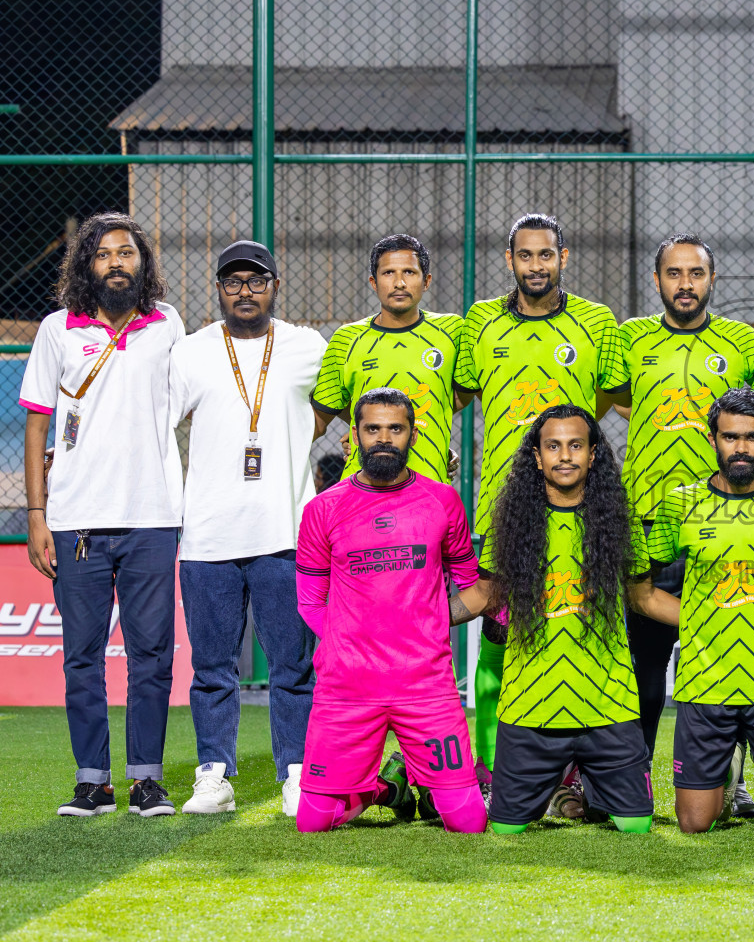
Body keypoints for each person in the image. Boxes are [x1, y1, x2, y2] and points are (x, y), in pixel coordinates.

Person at [454, 214, 626, 804]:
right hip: (503, 514)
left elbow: (619, 399)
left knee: (575, 635)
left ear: (564, 256)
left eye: (546, 255)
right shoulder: (480, 321)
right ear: (510, 261)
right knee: (500, 639)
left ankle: (576, 776)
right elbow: (452, 396)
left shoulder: (596, 322)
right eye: (525, 256)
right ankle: (488, 769)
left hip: (580, 513)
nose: (536, 265)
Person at [21, 212, 185, 817]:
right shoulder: (57, 330)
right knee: (82, 657)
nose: (117, 262)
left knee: (153, 655)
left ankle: (146, 778)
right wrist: (38, 515)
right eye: (104, 254)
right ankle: (92, 779)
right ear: (86, 265)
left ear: (143, 263)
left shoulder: (166, 324)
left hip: (152, 516)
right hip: (76, 520)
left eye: (127, 253)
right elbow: (38, 423)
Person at [610, 235, 754, 816]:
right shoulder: (631, 339)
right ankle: (632, 783)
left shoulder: (742, 342)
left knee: (736, 661)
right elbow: (616, 399)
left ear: (712, 277)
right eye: (673, 273)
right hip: (649, 520)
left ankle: (738, 784)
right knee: (645, 671)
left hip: (724, 526)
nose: (685, 283)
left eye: (695, 273)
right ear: (657, 281)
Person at [171, 240, 327, 817]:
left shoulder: (306, 346)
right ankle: (214, 774)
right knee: (211, 669)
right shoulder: (190, 352)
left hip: (285, 533)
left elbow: (341, 403)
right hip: (208, 534)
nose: (244, 291)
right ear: (219, 288)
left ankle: (297, 773)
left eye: (256, 281)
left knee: (293, 666)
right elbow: (160, 426)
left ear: (275, 288)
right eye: (233, 281)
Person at [293, 388, 489, 834]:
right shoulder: (323, 509)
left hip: (426, 684)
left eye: (395, 429)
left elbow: (470, 581)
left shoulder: (442, 500)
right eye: (373, 429)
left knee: (469, 822)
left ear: (413, 435)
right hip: (347, 686)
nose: (384, 438)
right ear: (354, 438)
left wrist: (434, 620)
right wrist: (346, 640)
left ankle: (416, 779)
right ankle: (385, 788)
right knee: (313, 823)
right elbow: (309, 598)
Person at [647, 388, 754, 833]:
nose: (741, 448)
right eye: (730, 437)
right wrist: (704, 615)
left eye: (752, 437)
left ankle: (745, 768)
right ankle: (727, 774)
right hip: (704, 683)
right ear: (712, 440)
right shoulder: (679, 503)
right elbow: (641, 592)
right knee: (694, 824)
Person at [482, 405, 662, 835]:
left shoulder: (621, 522)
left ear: (594, 454)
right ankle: (557, 789)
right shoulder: (509, 523)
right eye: (554, 446)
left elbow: (645, 599)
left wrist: (710, 615)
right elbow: (483, 597)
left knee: (636, 827)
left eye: (576, 445)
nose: (565, 456)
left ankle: (588, 790)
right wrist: (420, 614)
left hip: (609, 706)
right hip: (530, 709)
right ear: (538, 456)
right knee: (506, 830)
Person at [311, 234, 463, 483]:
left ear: (426, 281)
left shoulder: (452, 331)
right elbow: (325, 412)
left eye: (409, 272)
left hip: (429, 482)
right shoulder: (347, 339)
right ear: (374, 281)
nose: (399, 282)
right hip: (363, 486)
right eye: (389, 273)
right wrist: (365, 427)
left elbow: (458, 396)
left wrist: (434, 436)